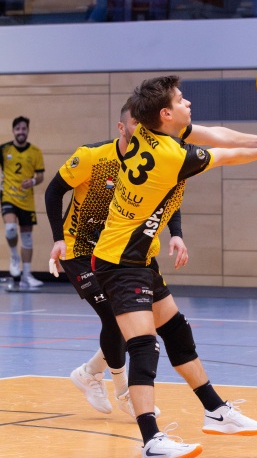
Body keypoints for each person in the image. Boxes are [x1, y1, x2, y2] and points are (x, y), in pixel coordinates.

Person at [92, 74, 257, 458]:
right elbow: (225, 154)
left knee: (177, 331)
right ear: (166, 114)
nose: (188, 104)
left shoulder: (149, 131)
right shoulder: (172, 155)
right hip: (119, 262)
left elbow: (217, 133)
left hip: (140, 258)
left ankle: (216, 411)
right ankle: (152, 443)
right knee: (144, 346)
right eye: (181, 100)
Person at [45, 100, 187, 419]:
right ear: (121, 128)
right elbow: (53, 191)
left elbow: (169, 198)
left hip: (115, 251)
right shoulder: (93, 157)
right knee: (113, 316)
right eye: (135, 124)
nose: (141, 130)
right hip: (79, 249)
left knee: (127, 316)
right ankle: (123, 390)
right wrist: (57, 238)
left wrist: (176, 234)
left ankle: (89, 373)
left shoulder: (151, 161)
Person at [0, 116, 45, 288]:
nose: (21, 131)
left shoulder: (35, 152)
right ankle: (14, 256)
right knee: (10, 230)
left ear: (27, 131)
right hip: (9, 197)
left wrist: (32, 181)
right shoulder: (4, 149)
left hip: (27, 201)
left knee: (27, 239)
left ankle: (26, 276)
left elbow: (40, 176)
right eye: (18, 128)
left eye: (23, 128)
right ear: (13, 131)